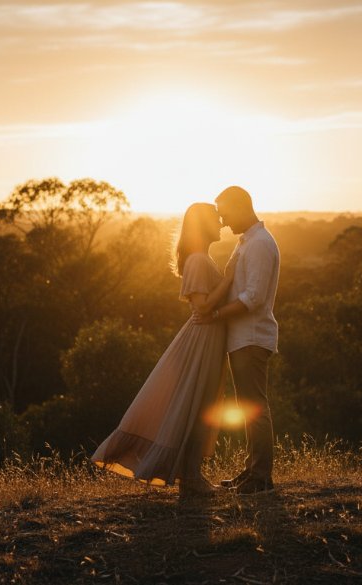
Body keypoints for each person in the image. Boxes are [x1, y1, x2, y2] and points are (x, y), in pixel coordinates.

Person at [91, 202, 235, 497]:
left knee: (200, 407)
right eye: (216, 219)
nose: (221, 224)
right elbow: (203, 307)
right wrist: (231, 278)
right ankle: (191, 479)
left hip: (209, 340)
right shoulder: (197, 260)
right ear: (202, 225)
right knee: (195, 407)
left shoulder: (201, 258)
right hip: (201, 341)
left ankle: (192, 475)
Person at [193, 186, 280, 495]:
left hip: (252, 336)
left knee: (255, 406)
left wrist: (215, 316)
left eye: (226, 213)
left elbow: (253, 298)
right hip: (241, 337)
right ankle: (252, 471)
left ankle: (261, 478)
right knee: (248, 406)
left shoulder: (259, 244)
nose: (224, 221)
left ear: (242, 207)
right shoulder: (247, 242)